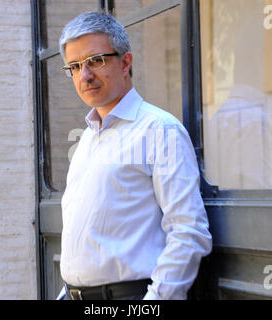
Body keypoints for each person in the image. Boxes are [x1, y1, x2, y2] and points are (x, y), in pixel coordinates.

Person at [56, 11, 212, 300]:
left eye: (95, 61)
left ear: (125, 62)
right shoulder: (87, 139)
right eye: (75, 67)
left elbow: (188, 231)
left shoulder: (159, 130)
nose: (85, 75)